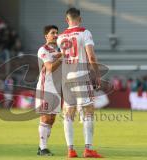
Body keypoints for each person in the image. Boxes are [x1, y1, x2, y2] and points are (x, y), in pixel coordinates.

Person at [57, 8, 103, 158]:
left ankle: (70, 150)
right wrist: (96, 75)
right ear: (80, 19)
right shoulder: (85, 32)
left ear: (66, 20)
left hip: (67, 78)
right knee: (88, 111)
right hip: (82, 76)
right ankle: (88, 149)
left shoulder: (60, 37)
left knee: (68, 114)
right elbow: (91, 57)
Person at [35, 25, 64, 156]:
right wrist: (63, 57)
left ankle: (42, 146)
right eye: (53, 33)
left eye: (57, 32)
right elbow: (50, 67)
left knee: (52, 119)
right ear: (46, 36)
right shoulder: (43, 49)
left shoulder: (55, 51)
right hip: (45, 88)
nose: (56, 35)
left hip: (56, 88)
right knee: (46, 118)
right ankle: (43, 148)